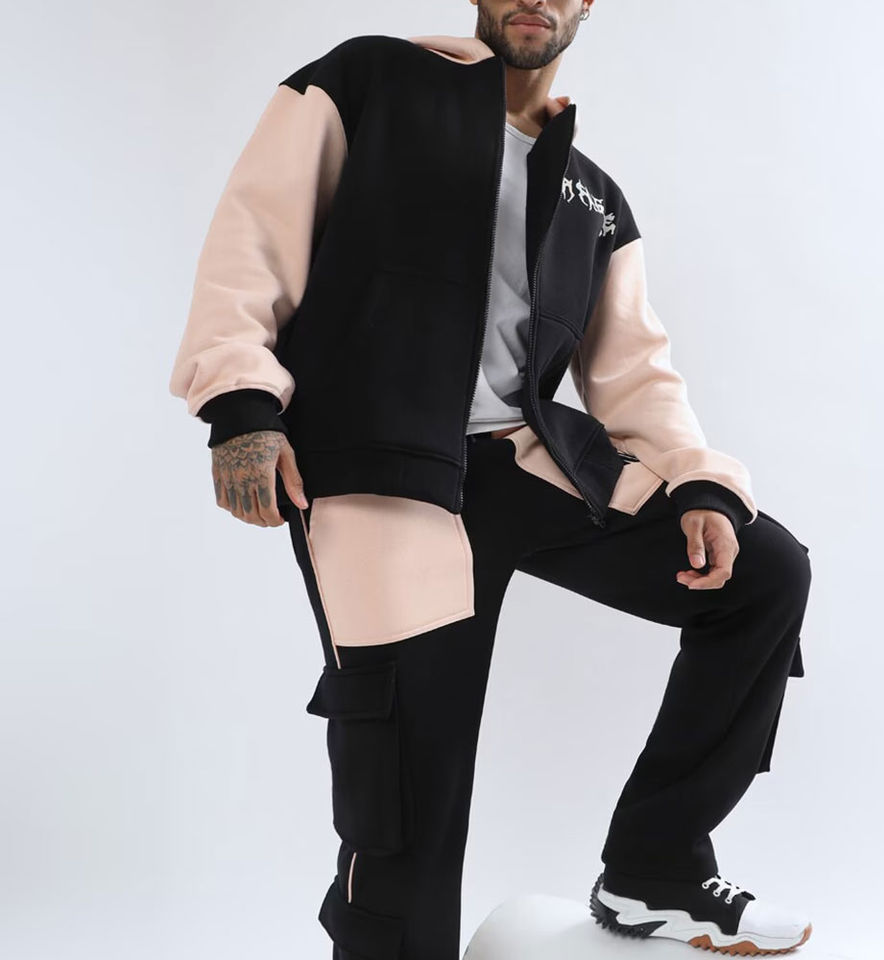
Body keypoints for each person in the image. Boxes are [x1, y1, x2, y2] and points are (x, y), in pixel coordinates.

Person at [168, 2, 814, 956]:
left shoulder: (592, 195)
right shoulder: (370, 82)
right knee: (409, 803)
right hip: (386, 474)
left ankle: (656, 866)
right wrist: (240, 405)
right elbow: (252, 236)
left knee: (764, 575)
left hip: (524, 464)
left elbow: (635, 371)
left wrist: (698, 485)